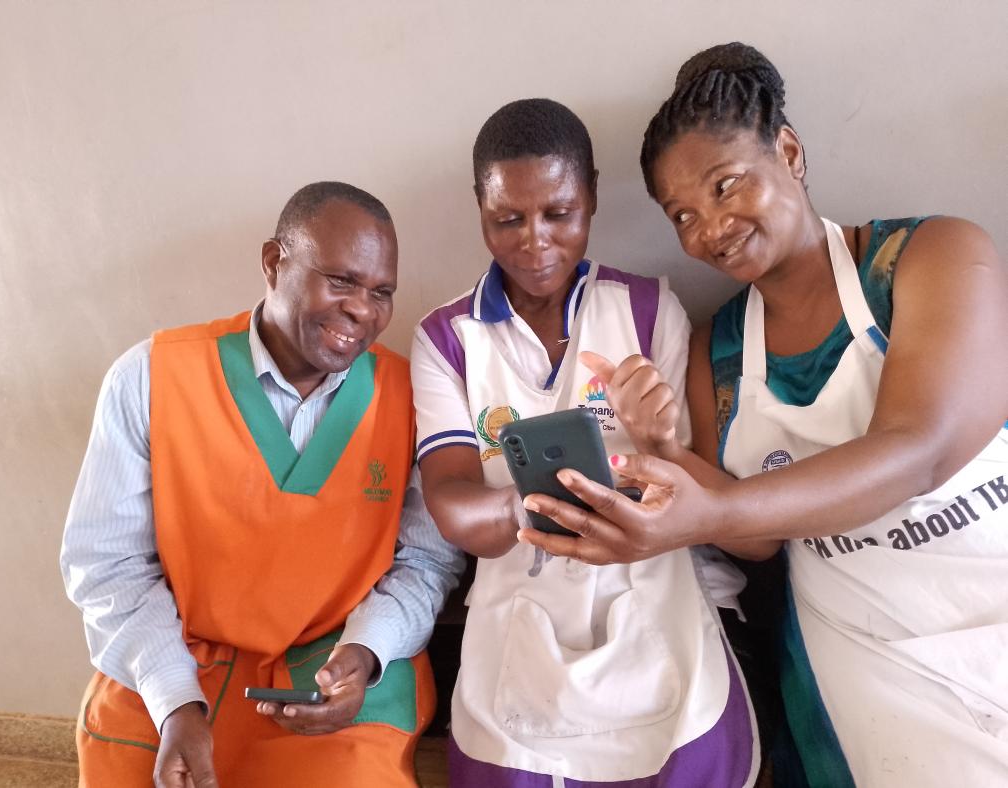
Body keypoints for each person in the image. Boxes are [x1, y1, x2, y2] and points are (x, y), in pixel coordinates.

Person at [518, 43, 1008, 786]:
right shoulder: (716, 351)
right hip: (861, 650)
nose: (709, 227)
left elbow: (920, 449)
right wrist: (660, 446)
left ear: (788, 150)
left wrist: (712, 511)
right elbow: (756, 541)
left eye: (725, 185)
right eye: (682, 214)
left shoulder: (930, 257)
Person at [60, 182, 464, 788]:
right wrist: (176, 702)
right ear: (275, 263)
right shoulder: (150, 378)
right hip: (174, 661)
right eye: (341, 281)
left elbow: (427, 563)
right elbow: (109, 566)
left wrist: (365, 655)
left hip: (343, 671)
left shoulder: (413, 401)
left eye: (382, 293)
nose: (363, 310)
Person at [411, 98, 758, 786]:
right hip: (520, 598)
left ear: (592, 196)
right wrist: (531, 510)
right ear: (479, 207)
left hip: (652, 586)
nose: (534, 240)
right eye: (507, 218)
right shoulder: (449, 338)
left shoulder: (647, 308)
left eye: (558, 213)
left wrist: (658, 438)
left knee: (686, 751)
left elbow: (702, 499)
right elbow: (452, 506)